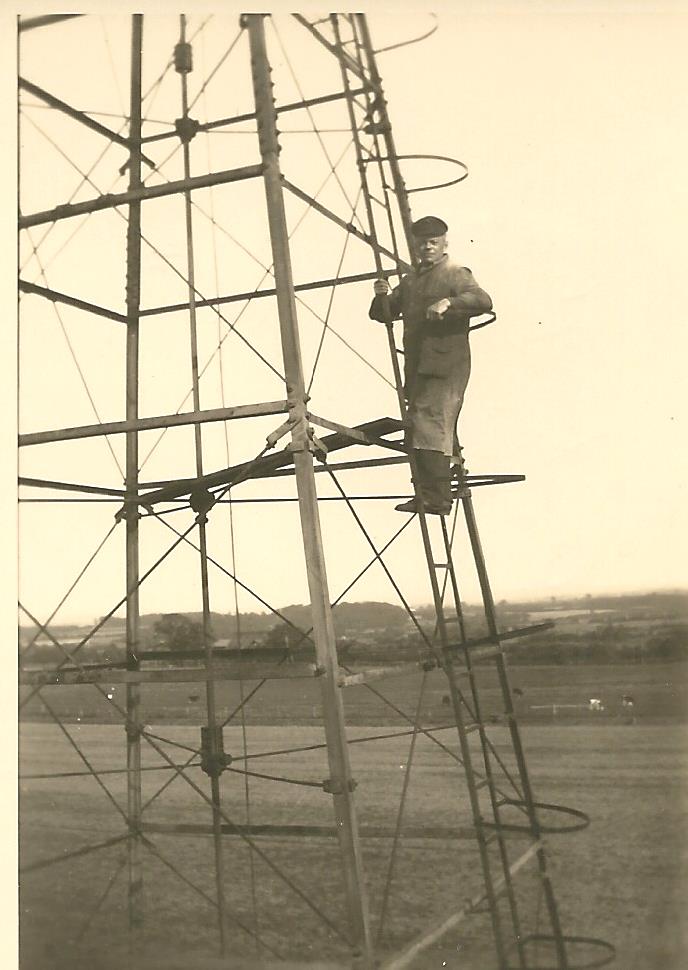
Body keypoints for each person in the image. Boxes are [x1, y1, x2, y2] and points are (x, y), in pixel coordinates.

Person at [369, 216, 493, 514]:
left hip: (445, 365)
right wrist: (381, 296)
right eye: (423, 242)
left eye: (433, 242)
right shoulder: (412, 281)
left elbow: (482, 299)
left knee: (432, 426)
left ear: (444, 244)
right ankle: (427, 494)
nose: (427, 247)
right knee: (422, 428)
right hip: (418, 366)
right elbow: (382, 314)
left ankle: (437, 498)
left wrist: (449, 303)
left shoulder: (454, 273)